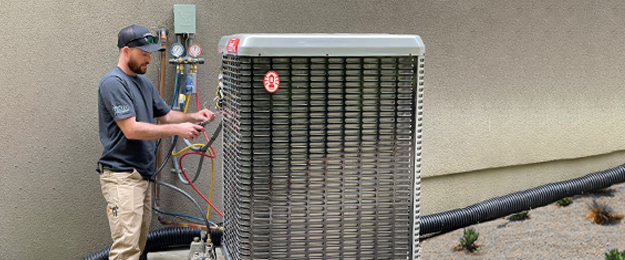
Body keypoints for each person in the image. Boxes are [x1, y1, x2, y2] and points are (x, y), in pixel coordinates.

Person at [96, 24, 215, 260]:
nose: (149, 59)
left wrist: (194, 115)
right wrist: (178, 130)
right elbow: (131, 129)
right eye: (144, 53)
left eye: (150, 53)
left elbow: (167, 115)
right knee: (126, 250)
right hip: (122, 178)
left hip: (141, 176)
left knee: (138, 246)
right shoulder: (113, 83)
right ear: (126, 51)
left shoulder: (143, 83)